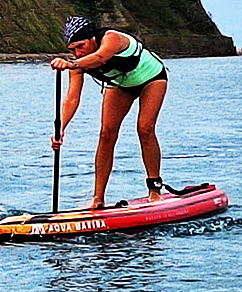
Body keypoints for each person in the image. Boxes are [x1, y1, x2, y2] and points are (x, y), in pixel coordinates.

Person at [50, 14, 169, 210]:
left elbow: (100, 57)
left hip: (151, 77)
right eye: (72, 50)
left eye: (81, 46)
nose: (78, 53)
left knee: (145, 128)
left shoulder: (111, 38)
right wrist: (60, 128)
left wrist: (72, 64)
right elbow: (72, 98)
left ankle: (155, 191)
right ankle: (98, 198)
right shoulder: (78, 65)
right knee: (106, 134)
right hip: (121, 84)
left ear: (92, 39)